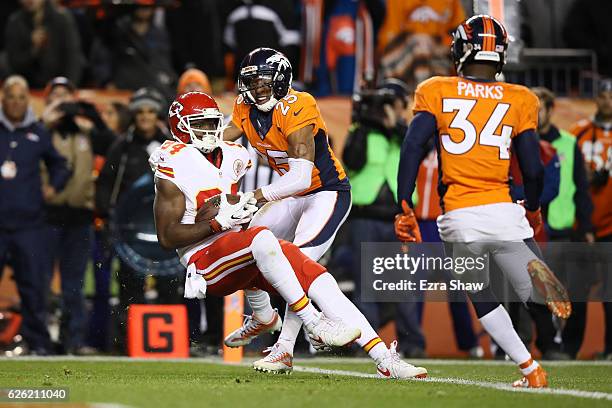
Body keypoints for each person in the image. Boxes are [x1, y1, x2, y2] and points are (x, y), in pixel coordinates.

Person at [151, 91, 427, 379]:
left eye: (212, 123)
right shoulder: (173, 162)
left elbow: (238, 204)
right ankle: (313, 321)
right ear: (180, 126)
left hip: (239, 250)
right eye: (200, 124)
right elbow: (168, 238)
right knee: (261, 237)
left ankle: (384, 358)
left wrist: (239, 207)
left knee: (314, 275)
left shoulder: (234, 154)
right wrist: (218, 222)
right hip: (204, 262)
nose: (209, 131)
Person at [394, 15, 571, 387]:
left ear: (461, 48)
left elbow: (412, 147)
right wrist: (534, 209)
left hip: (460, 212)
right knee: (522, 277)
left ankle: (529, 368)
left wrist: (404, 201)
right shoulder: (521, 97)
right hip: (506, 207)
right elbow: (533, 169)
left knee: (480, 293)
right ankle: (532, 282)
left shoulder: (437, 89)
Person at [221, 48, 354, 373]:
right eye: (252, 83)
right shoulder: (243, 106)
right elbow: (220, 141)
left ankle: (286, 347)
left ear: (281, 82)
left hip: (324, 191)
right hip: (291, 196)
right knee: (247, 245)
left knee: (298, 262)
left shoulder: (299, 105)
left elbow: (300, 176)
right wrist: (182, 150)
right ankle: (263, 315)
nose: (258, 90)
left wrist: (257, 195)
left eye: (265, 83)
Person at [342, 78, 426, 357]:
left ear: (403, 106)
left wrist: (394, 125)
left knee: (404, 286)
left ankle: (412, 344)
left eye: (393, 103)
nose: (386, 108)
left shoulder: (408, 133)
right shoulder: (362, 130)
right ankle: (368, 343)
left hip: (398, 217)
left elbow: (423, 150)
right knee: (366, 286)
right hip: (365, 217)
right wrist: (367, 124)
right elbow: (351, 160)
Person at [40, 76, 115, 354]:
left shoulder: (85, 132)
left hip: (80, 217)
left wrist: (93, 116)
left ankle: (72, 341)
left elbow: (110, 144)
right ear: (47, 101)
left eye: (66, 96)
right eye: (55, 95)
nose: (61, 101)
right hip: (46, 216)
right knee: (40, 280)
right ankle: (40, 340)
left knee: (74, 284)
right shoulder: (40, 132)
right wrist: (46, 120)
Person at [95, 87, 169, 352]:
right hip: (131, 234)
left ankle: (169, 342)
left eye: (150, 111)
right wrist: (107, 214)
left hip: (164, 230)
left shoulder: (169, 145)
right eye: (140, 112)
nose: (145, 117)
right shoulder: (122, 146)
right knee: (130, 286)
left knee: (170, 286)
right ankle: (129, 342)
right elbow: (106, 183)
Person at [0, 75, 70, 355]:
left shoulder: (38, 132)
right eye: (11, 96)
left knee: (33, 287)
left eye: (21, 97)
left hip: (29, 224)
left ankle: (38, 344)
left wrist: (54, 186)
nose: (16, 102)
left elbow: (60, 165)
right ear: (3, 99)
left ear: (27, 101)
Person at [566, 79, 612, 359]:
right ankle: (570, 348)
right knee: (577, 290)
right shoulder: (578, 133)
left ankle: (610, 349)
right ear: (597, 99)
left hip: (610, 225)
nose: (608, 101)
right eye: (604, 95)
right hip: (582, 224)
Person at [5, 0, 83, 88]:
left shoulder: (62, 18)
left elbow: (73, 58)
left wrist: (67, 87)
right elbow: (14, 64)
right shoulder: (15, 22)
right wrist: (33, 50)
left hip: (60, 88)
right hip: (28, 90)